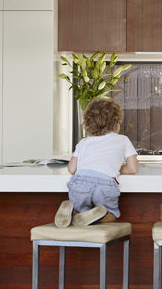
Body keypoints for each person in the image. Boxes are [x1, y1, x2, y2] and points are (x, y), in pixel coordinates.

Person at [55, 97, 139, 227]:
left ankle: (72, 212)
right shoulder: (123, 140)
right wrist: (116, 167)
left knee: (80, 209)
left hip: (80, 183)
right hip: (105, 184)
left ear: (88, 123)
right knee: (111, 213)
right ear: (116, 122)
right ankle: (98, 217)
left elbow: (72, 169)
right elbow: (133, 168)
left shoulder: (84, 142)